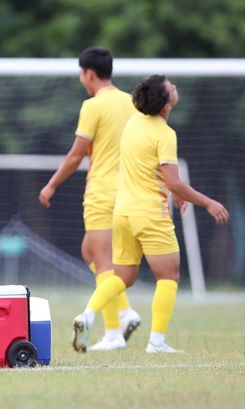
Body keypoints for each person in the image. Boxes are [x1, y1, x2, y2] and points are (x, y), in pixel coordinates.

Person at [72, 75, 230, 353]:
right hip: (150, 213)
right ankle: (156, 342)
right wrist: (208, 203)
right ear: (166, 105)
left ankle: (87, 314)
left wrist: (178, 193)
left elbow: (150, 169)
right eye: (172, 87)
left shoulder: (133, 123)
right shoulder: (165, 133)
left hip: (122, 214)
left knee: (121, 277)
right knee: (169, 276)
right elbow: (173, 181)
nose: (176, 88)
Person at [38, 47, 141, 351]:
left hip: (102, 193)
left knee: (105, 263)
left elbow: (75, 154)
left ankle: (112, 334)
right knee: (90, 252)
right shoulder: (131, 102)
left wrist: (51, 185)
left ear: (88, 73)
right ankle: (124, 311)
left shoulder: (93, 105)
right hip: (130, 192)